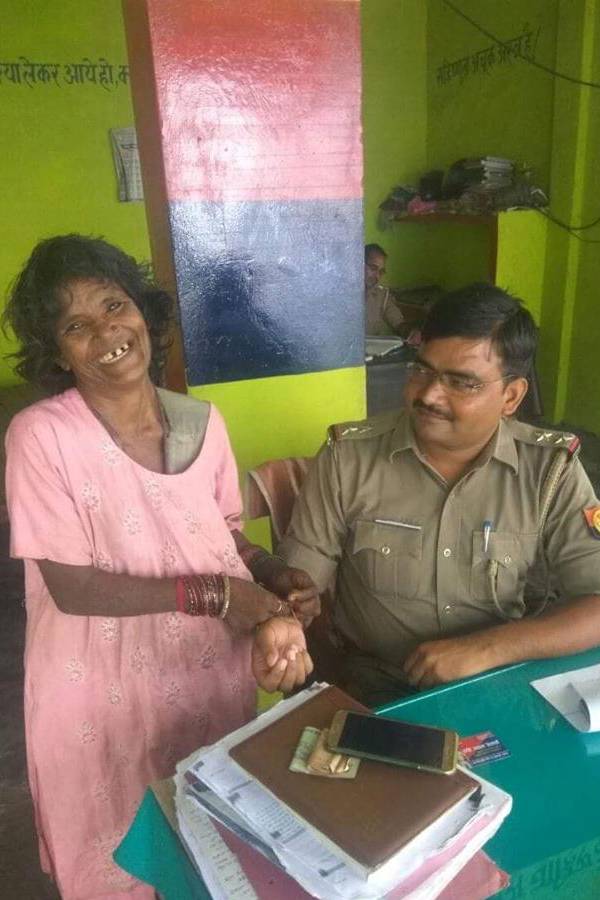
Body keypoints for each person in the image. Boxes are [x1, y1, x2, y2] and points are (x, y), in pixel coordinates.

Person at [3, 234, 318, 899]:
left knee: (211, 848)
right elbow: (71, 586)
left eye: (114, 305)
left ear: (142, 310)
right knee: (120, 851)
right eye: (75, 326)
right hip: (97, 683)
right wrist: (222, 596)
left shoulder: (202, 421)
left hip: (203, 673)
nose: (106, 333)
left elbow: (221, 533)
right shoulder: (41, 436)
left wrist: (269, 573)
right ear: (56, 352)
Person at [280, 283, 600, 707]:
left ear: (511, 396)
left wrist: (485, 649)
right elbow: (297, 584)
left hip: (495, 678)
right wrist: (286, 613)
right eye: (422, 370)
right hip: (374, 684)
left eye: (461, 382)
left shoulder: (548, 470)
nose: (429, 395)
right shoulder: (348, 458)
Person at [364, 243, 404, 336]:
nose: (377, 277)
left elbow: (399, 323)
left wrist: (411, 332)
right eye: (373, 268)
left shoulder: (382, 295)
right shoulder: (339, 293)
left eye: (381, 272)